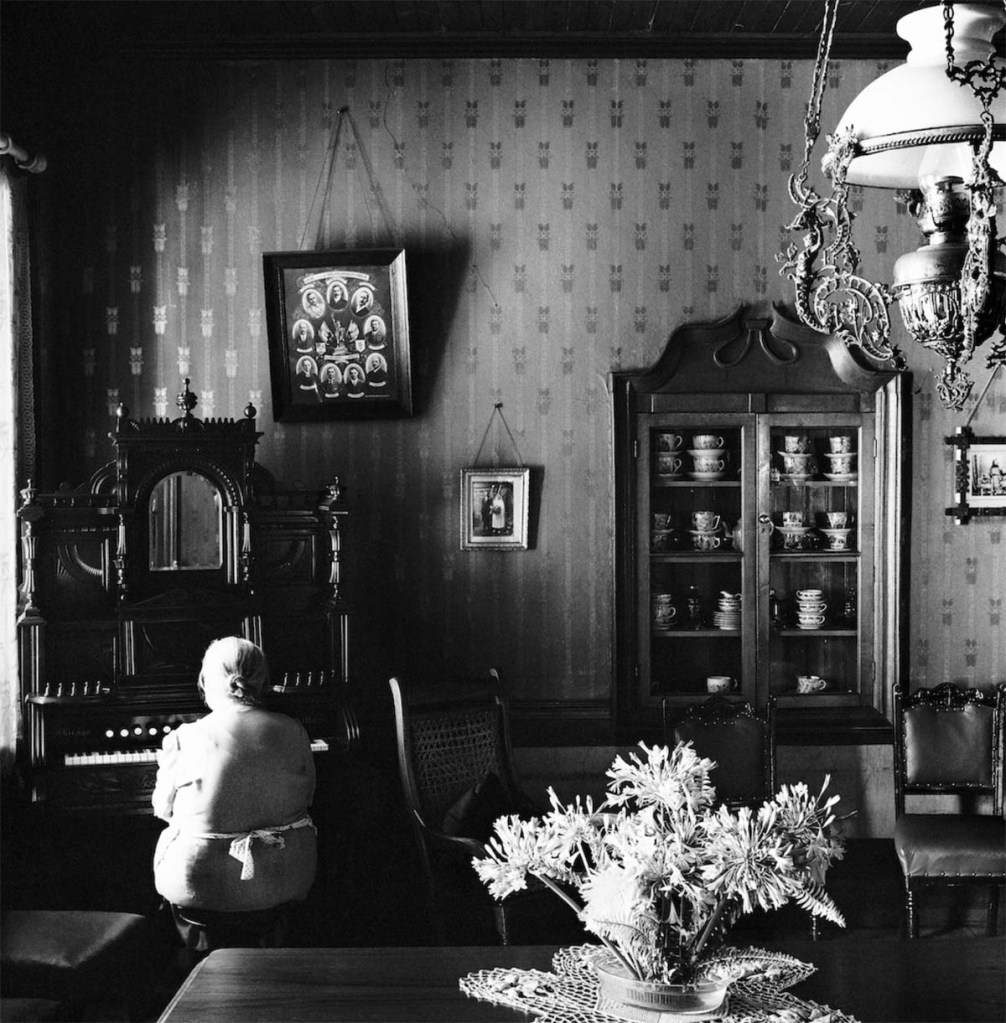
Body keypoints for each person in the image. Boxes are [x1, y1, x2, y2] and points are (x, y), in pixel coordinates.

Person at [152, 637, 317, 957]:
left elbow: (162, 809)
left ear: (205, 681)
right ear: (261, 680)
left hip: (202, 885)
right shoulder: (293, 729)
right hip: (283, 878)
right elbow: (307, 796)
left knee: (171, 835)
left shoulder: (185, 737)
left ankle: (193, 972)